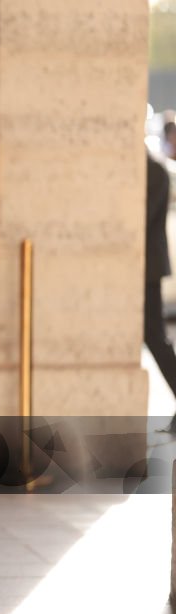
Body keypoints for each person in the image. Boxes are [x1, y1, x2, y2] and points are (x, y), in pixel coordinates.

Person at [144, 152, 176, 431]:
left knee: (155, 337)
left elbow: (141, 218)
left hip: (148, 269)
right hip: (139, 267)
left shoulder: (155, 172)